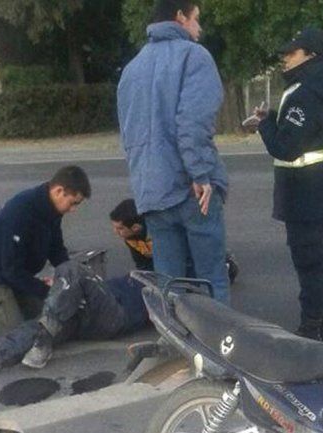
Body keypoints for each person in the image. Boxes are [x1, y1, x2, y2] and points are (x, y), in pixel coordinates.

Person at [117, 0, 230, 304]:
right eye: (196, 18)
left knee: (168, 286)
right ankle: (216, 335)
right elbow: (193, 126)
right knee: (211, 279)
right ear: (180, 16)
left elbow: (129, 134)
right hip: (191, 190)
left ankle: (174, 333)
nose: (199, 27)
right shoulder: (194, 57)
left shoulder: (132, 69)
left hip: (152, 193)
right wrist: (201, 175)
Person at [246, 27, 323, 341]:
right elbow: (315, 129)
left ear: (311, 55)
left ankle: (310, 329)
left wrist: (264, 123)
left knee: (310, 264)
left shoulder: (304, 92)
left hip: (303, 193)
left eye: (292, 52)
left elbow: (285, 147)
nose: (285, 58)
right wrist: (275, 116)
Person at [0, 166, 91, 344]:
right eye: (73, 203)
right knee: (10, 334)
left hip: (17, 275)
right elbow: (10, 270)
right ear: (59, 191)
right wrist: (45, 290)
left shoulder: (52, 210)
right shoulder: (20, 212)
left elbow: (56, 249)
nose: (73, 209)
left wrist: (68, 278)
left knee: (46, 310)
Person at [0, 259, 149, 380]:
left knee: (72, 268)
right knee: (41, 323)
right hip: (85, 313)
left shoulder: (154, 287)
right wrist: (60, 288)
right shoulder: (135, 275)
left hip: (115, 314)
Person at [109, 198, 239, 284]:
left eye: (120, 228)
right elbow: (142, 264)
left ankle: (225, 264)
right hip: (164, 260)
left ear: (136, 228)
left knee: (196, 275)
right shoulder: (130, 238)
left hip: (187, 255)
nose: (116, 232)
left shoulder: (159, 230)